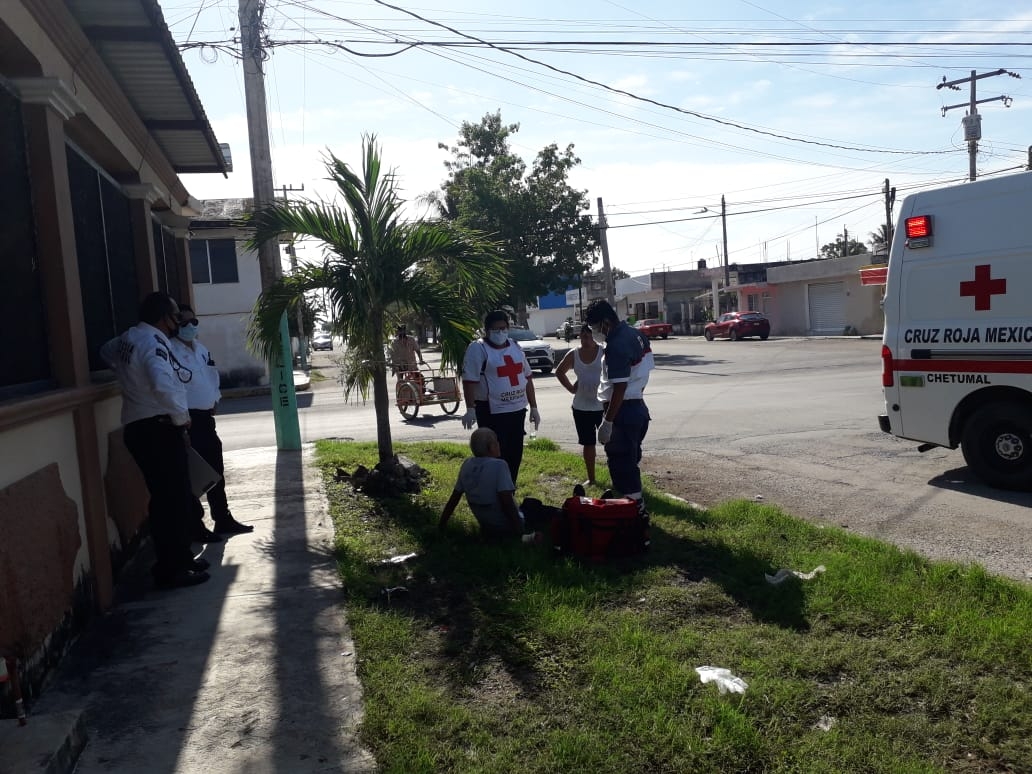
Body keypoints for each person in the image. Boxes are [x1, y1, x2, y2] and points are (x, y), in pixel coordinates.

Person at [100, 292, 209, 589]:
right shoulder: (153, 342)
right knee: (171, 502)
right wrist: (181, 418)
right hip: (157, 428)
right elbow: (162, 383)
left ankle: (181, 559)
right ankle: (171, 568)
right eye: (176, 316)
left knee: (172, 499)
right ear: (164, 318)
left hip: (143, 426)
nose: (180, 321)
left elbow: (107, 353)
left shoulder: (129, 338)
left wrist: (130, 379)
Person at [170, 305, 254, 538]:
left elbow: (212, 376)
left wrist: (215, 398)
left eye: (193, 322)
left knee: (216, 469)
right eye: (183, 323)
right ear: (175, 326)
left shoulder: (201, 349)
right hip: (186, 420)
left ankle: (223, 519)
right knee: (193, 474)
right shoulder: (170, 352)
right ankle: (196, 526)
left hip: (206, 418)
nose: (189, 327)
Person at [583, 298, 654, 517]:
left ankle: (632, 512)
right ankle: (632, 507)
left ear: (605, 322)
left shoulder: (616, 344)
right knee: (629, 460)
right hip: (637, 408)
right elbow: (643, 375)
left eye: (595, 327)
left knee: (623, 464)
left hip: (622, 412)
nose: (595, 332)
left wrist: (608, 422)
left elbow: (620, 387)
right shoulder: (637, 334)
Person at [460, 310, 541, 483]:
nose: (500, 333)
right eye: (496, 330)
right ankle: (494, 493)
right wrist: (470, 409)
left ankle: (509, 492)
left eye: (503, 328)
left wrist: (534, 407)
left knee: (514, 456)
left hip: (517, 411)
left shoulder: (515, 346)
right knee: (494, 457)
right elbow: (469, 380)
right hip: (491, 413)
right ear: (487, 330)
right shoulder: (478, 348)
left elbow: (527, 377)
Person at [438, 428, 553, 539]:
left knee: (527, 504)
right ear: (491, 447)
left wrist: (441, 525)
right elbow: (506, 501)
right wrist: (519, 529)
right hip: (504, 525)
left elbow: (454, 498)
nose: (499, 444)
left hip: (486, 524)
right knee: (534, 506)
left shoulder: (467, 464)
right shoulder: (499, 465)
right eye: (496, 441)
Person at [555, 323, 605, 486]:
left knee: (611, 443)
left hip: (603, 406)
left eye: (589, 336)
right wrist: (570, 388)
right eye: (583, 336)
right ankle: (591, 479)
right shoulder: (574, 354)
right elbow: (559, 371)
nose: (586, 339)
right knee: (588, 443)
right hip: (582, 407)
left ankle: (617, 477)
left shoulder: (604, 351)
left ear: (595, 336)